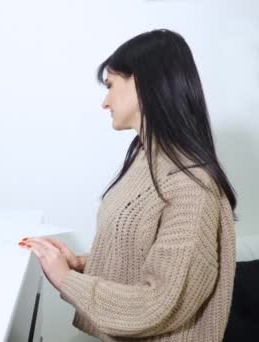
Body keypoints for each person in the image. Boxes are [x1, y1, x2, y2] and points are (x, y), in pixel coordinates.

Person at [22, 29, 237, 341]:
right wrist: (82, 263)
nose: (104, 102)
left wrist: (66, 279)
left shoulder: (192, 184)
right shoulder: (144, 159)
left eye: (110, 86)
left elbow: (160, 303)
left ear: (143, 84)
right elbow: (142, 254)